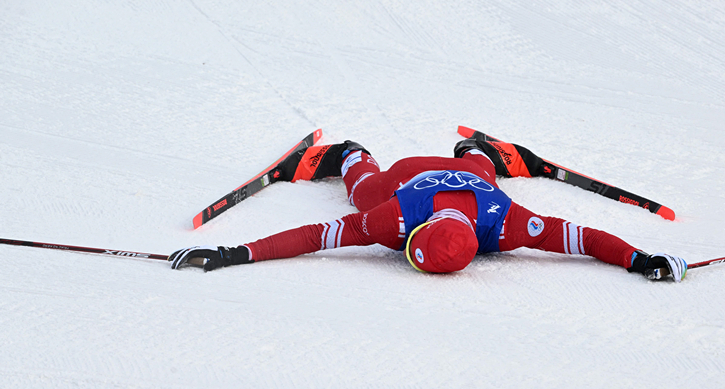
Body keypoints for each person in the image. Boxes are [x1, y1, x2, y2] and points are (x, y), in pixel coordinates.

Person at [169, 138, 688, 282]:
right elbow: (312, 237)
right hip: (411, 172)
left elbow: (591, 240)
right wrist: (234, 254)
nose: (400, 251)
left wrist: (641, 260)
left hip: (462, 180)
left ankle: (477, 153)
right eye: (409, 252)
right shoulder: (396, 216)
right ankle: (350, 154)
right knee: (370, 193)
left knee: (370, 191)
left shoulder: (504, 224)